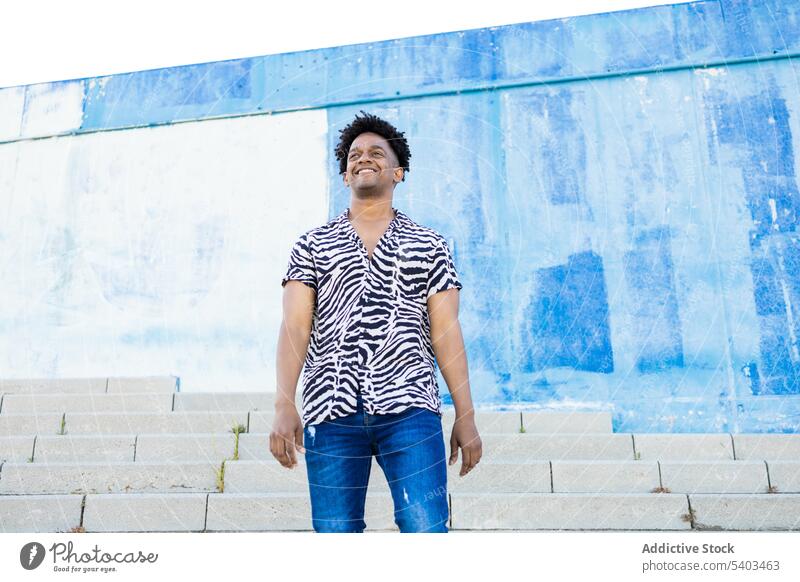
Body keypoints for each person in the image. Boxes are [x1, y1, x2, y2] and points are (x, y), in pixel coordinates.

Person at [270, 110, 482, 533]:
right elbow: (295, 326)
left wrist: (466, 414)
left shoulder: (430, 244)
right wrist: (283, 403)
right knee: (336, 535)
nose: (363, 158)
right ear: (346, 176)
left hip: (410, 410)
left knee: (426, 528)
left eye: (376, 152)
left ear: (399, 172)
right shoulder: (312, 245)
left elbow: (445, 332)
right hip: (330, 411)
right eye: (354, 155)